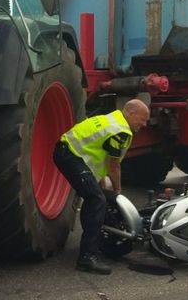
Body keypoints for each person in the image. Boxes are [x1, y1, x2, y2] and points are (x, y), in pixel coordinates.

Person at [54, 99, 150, 274]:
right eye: (142, 119)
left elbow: (97, 156)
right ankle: (87, 258)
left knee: (96, 196)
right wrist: (118, 192)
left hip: (67, 151)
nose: (143, 124)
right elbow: (113, 166)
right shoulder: (120, 131)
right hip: (70, 156)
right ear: (130, 113)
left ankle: (94, 243)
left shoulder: (111, 119)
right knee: (96, 200)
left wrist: (101, 185)